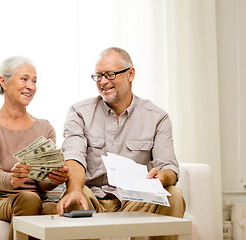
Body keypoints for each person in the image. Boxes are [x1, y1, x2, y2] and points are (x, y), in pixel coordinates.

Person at [57, 47, 185, 240]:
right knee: (75, 198)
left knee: (173, 195)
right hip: (93, 198)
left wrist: (163, 176)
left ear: (130, 74)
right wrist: (74, 189)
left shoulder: (157, 117)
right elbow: (73, 156)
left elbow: (169, 167)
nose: (103, 82)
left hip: (135, 199)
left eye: (110, 75)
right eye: (98, 76)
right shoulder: (79, 112)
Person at [0, 56, 69, 240]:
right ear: (4, 81)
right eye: (24, 79)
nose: (31, 86)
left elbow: (43, 184)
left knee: (68, 208)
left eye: (34, 81)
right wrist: (13, 180)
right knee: (29, 198)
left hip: (35, 201)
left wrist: (54, 178)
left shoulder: (45, 127)